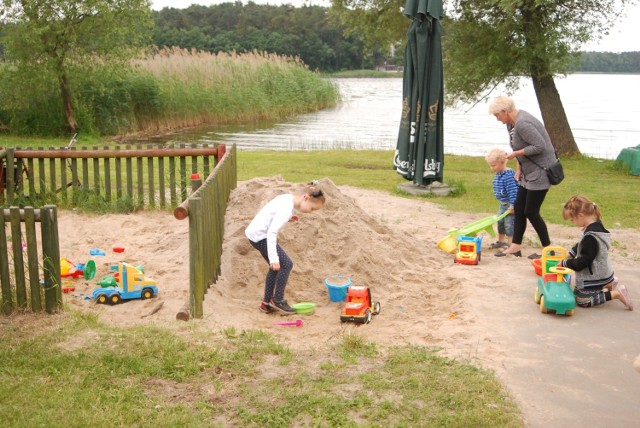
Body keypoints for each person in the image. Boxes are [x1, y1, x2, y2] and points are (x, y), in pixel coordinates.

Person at [488, 95, 556, 259]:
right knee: (519, 208)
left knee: (531, 212)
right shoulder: (512, 124)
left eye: (497, 115)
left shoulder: (523, 123)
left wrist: (516, 154)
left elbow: (540, 146)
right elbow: (522, 145)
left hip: (540, 172)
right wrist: (519, 168)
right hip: (527, 172)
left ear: (504, 111)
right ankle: (515, 246)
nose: (498, 119)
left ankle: (548, 249)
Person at [245, 181, 326, 314]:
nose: (311, 212)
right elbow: (271, 232)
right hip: (261, 236)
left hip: (255, 233)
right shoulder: (286, 209)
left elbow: (271, 213)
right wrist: (274, 258)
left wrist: (288, 217)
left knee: (276, 268)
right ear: (305, 198)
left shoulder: (287, 198)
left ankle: (266, 303)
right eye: (312, 208)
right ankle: (277, 300)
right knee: (286, 264)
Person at [559, 195, 632, 310]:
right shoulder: (595, 225)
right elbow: (582, 245)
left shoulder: (591, 237)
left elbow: (583, 262)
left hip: (595, 275)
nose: (573, 222)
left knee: (582, 300)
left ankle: (616, 294)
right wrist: (572, 253)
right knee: (576, 292)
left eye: (572, 220)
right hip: (602, 271)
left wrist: (565, 263)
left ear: (581, 216)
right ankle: (609, 283)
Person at [484, 148, 518, 250]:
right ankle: (501, 241)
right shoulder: (498, 174)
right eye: (490, 165)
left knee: (509, 224)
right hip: (503, 203)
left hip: (510, 204)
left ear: (502, 162)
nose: (492, 168)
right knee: (500, 222)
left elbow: (514, 192)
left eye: (494, 165)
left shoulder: (508, 176)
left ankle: (511, 244)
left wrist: (513, 205)